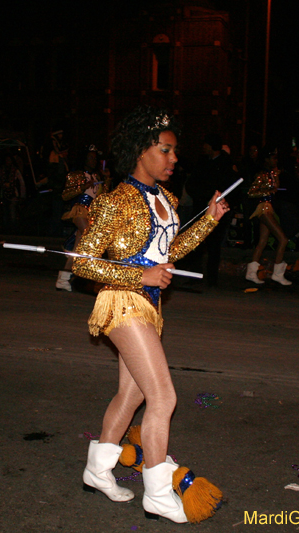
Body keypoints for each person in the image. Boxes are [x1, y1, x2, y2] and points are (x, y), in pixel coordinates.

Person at [72, 105, 227, 524]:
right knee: (164, 396)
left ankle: (97, 468)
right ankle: (158, 493)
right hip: (121, 302)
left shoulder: (167, 199)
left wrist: (209, 220)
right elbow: (82, 263)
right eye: (166, 150)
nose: (174, 159)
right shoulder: (113, 201)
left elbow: (169, 252)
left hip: (150, 306)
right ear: (142, 151)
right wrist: (142, 274)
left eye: (174, 152)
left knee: (134, 393)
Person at [184, 134, 236, 286]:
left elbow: (229, 186)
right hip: (200, 207)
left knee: (214, 245)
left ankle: (212, 278)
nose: (204, 148)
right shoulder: (202, 162)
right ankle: (193, 276)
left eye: (206, 144)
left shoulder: (225, 163)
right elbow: (192, 182)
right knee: (196, 242)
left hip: (217, 211)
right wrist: (200, 196)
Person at [56, 145, 106, 291]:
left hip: (91, 212)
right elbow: (65, 195)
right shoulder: (76, 175)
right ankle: (98, 276)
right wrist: (82, 187)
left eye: (95, 158)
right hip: (79, 209)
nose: (93, 160)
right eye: (90, 157)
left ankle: (63, 279)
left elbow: (102, 197)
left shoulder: (97, 176)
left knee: (77, 249)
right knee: (91, 238)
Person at [245, 146, 293, 286]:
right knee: (283, 239)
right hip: (263, 207)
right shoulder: (262, 174)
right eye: (273, 157)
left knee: (263, 241)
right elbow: (251, 192)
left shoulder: (272, 173)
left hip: (268, 207)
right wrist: (268, 190)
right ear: (266, 159)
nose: (275, 160)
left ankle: (251, 273)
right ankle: (277, 274)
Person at [0, 154, 25, 234]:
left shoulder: (15, 171)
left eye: (9, 160)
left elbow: (21, 183)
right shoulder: (1, 171)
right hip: (4, 194)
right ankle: (6, 228)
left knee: (12, 212)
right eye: (6, 160)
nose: (8, 162)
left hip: (13, 194)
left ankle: (13, 229)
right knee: (5, 212)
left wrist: (22, 195)